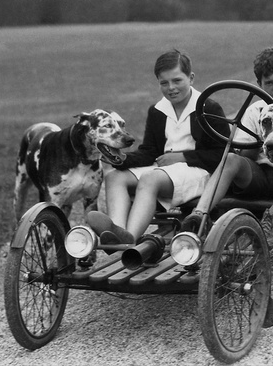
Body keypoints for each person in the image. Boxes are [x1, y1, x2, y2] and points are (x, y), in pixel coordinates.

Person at [87, 49, 228, 245]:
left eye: (177, 80)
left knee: (150, 178)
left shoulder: (208, 108)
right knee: (115, 176)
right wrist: (124, 159)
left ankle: (129, 238)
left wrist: (183, 157)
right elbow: (150, 152)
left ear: (191, 78)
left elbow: (222, 155)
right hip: (164, 171)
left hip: (199, 173)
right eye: (164, 83)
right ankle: (117, 233)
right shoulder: (157, 111)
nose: (171, 88)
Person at [192, 47, 273, 249]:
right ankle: (198, 217)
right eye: (269, 83)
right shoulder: (255, 111)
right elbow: (245, 154)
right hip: (258, 176)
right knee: (230, 159)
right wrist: (260, 139)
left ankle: (272, 218)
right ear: (259, 85)